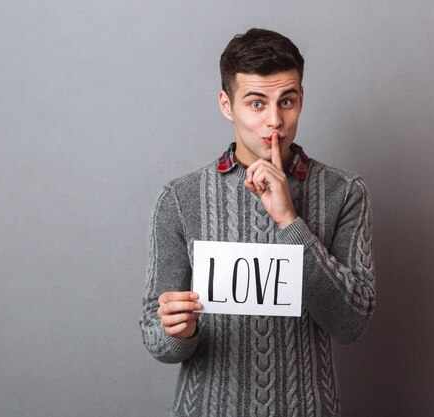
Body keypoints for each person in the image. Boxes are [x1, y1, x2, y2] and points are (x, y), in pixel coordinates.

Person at [140, 28, 375, 417]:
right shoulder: (180, 200)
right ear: (226, 105)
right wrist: (176, 332)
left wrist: (289, 220)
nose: (274, 121)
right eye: (255, 103)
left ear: (302, 99)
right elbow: (155, 334)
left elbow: (350, 324)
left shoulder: (345, 193)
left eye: (287, 101)